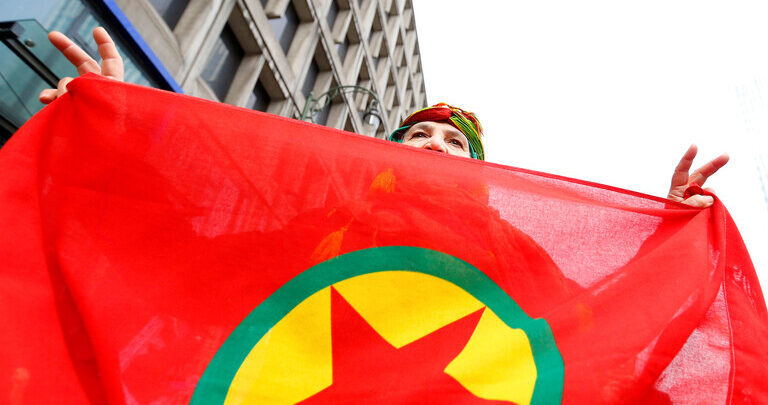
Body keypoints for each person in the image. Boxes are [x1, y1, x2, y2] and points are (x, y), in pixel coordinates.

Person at [40, 28, 729, 208]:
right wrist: (117, 127)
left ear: (478, 172)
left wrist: (663, 230)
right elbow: (185, 227)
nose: (433, 144)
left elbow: (607, 328)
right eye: (418, 135)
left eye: (455, 143)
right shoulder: (319, 218)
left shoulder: (515, 256)